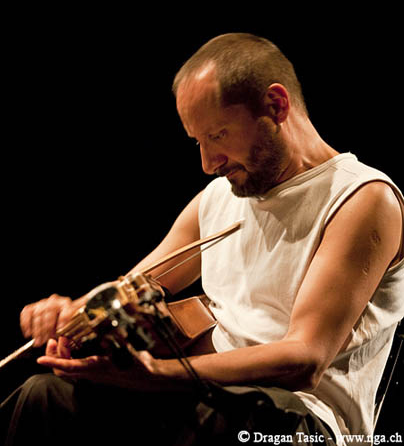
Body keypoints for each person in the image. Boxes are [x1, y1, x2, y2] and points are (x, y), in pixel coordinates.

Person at [1, 33, 403, 446]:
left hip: (299, 419)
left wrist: (159, 374)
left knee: (226, 423)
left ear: (276, 104)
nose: (209, 163)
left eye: (218, 135)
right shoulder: (217, 199)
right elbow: (134, 288)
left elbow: (305, 358)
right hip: (203, 394)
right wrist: (71, 313)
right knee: (44, 396)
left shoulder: (362, 199)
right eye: (198, 141)